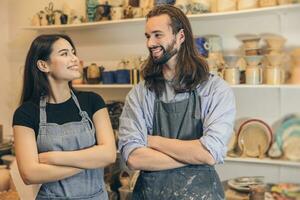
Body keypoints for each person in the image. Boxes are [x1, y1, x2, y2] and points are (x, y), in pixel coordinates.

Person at [118, 5, 236, 200]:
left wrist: (152, 141)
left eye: (158, 35)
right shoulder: (140, 94)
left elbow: (209, 153)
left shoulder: (215, 89)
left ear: (180, 36)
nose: (150, 43)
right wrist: (193, 155)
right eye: (147, 36)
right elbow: (134, 157)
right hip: (151, 194)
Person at [13, 34, 116, 200]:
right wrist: (91, 161)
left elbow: (109, 154)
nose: (74, 58)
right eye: (64, 53)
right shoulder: (26, 113)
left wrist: (54, 158)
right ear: (43, 65)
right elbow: (30, 174)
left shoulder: (92, 101)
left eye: (73, 52)